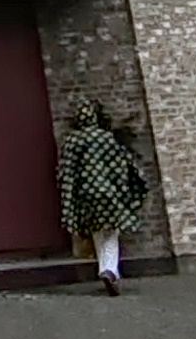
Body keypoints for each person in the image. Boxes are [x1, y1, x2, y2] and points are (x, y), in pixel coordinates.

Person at [59, 101, 148, 295]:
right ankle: (109, 271)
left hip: (85, 195)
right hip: (108, 193)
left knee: (97, 231)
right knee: (110, 232)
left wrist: (68, 201)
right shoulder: (106, 138)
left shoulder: (72, 141)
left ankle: (108, 270)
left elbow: (66, 173)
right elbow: (122, 166)